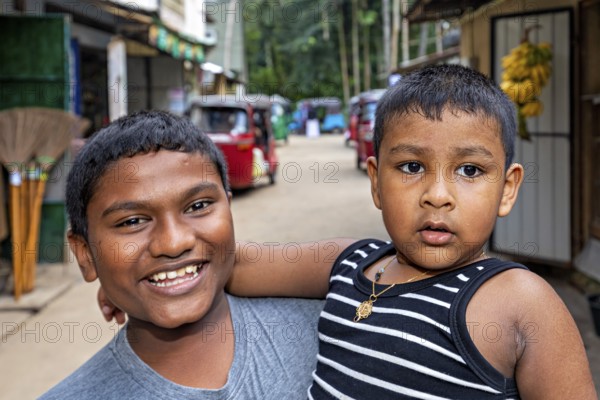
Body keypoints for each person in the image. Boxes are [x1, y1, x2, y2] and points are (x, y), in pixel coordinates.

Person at [99, 65, 597, 399]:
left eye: (469, 171)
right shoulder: (348, 263)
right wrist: (142, 278)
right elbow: (236, 264)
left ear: (507, 188)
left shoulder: (521, 301)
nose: (438, 195)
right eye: (410, 167)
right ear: (375, 181)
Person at [40, 110, 341, 399]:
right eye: (132, 222)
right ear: (85, 254)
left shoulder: (335, 328)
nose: (173, 243)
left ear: (229, 208)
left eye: (198, 206)